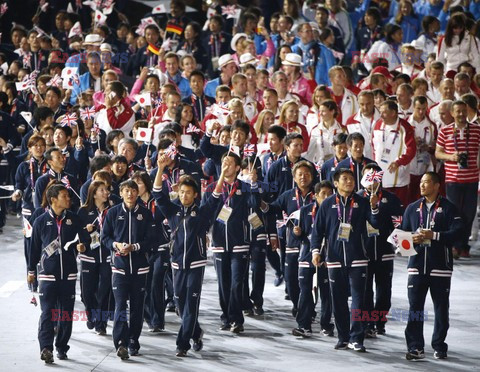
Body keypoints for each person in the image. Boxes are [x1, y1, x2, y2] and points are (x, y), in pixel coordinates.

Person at [153, 156, 223, 356]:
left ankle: (182, 344)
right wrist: (160, 168)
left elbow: (215, 197)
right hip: (176, 265)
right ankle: (196, 332)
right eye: (181, 192)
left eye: (188, 192)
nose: (184, 195)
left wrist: (222, 177)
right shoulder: (172, 211)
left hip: (195, 265)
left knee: (191, 306)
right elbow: (157, 193)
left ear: (194, 195)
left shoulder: (202, 213)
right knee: (180, 306)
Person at [311, 168, 379, 352]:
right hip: (333, 259)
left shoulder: (363, 202)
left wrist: (374, 207)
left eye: (351, 179)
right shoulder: (326, 205)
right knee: (338, 300)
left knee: (358, 299)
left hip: (358, 258)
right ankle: (343, 337)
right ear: (336, 183)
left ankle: (357, 338)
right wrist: (316, 252)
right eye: (345, 179)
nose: (349, 182)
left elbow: (375, 224)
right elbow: (317, 231)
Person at [401, 172, 462, 360]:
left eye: (426, 182)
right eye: (421, 183)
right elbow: (398, 236)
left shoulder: (449, 208)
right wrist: (412, 238)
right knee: (415, 309)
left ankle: (439, 345)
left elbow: (458, 232)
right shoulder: (412, 208)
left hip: (440, 268)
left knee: (441, 309)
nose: (422, 186)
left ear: (437, 186)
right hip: (416, 267)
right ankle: (415, 347)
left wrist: (433, 235)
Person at [28, 183, 90, 363]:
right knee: (48, 312)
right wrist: (31, 271)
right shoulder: (40, 221)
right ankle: (46, 348)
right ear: (53, 199)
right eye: (65, 196)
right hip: (47, 274)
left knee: (65, 315)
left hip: (68, 275)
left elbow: (84, 240)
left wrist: (82, 246)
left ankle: (62, 347)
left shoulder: (74, 219)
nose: (69, 198)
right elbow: (33, 249)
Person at [203, 152, 260, 333]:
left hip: (240, 243)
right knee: (223, 284)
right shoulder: (213, 188)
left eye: (230, 163)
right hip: (219, 242)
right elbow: (206, 211)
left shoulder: (245, 187)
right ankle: (225, 316)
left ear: (237, 168)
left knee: (237, 283)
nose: (226, 165)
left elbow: (254, 207)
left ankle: (236, 319)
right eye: (223, 162)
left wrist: (254, 185)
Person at [101, 180, 155, 359]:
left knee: (137, 307)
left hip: (140, 269)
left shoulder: (146, 214)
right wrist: (116, 245)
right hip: (119, 268)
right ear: (121, 193)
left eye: (133, 190)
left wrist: (135, 247)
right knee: (120, 306)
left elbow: (151, 241)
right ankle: (121, 343)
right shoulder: (113, 213)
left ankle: (133, 340)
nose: (130, 194)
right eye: (126, 191)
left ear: (138, 192)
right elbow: (104, 238)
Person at [358, 163, 403, 337]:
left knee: (384, 291)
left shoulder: (392, 199)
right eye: (368, 176)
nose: (372, 180)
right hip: (364, 253)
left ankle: (380, 322)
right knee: (365, 291)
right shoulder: (357, 199)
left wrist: (401, 246)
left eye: (375, 176)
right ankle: (368, 323)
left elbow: (399, 226)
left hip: (385, 252)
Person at [435, 100, 480, 258]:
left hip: (472, 178)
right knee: (455, 213)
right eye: (457, 111)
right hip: (453, 179)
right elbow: (437, 153)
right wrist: (451, 156)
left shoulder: (476, 130)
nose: (461, 114)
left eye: (463, 111)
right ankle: (454, 245)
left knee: (469, 214)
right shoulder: (445, 131)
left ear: (467, 111)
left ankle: (463, 245)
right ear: (452, 113)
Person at [292, 180, 334, 338]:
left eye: (330, 194)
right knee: (305, 292)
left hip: (327, 258)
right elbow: (300, 238)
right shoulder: (304, 211)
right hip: (307, 257)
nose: (327, 197)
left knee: (326, 294)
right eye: (323, 194)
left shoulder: (336, 211)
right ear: (315, 196)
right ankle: (304, 325)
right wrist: (297, 233)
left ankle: (326, 325)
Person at [77, 181, 113, 335]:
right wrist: (86, 235)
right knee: (87, 292)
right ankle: (91, 313)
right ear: (93, 193)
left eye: (107, 190)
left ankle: (101, 322)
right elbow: (78, 235)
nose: (106, 193)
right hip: (88, 257)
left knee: (104, 291)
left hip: (106, 257)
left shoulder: (112, 211)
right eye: (102, 190)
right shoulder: (83, 211)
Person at [371, 100, 417, 207]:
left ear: (393, 113)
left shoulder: (405, 127)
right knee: (383, 209)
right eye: (380, 112)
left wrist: (399, 162)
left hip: (398, 176)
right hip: (381, 176)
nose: (381, 115)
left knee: (398, 209)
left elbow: (411, 150)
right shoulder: (377, 125)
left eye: (384, 112)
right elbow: (374, 148)